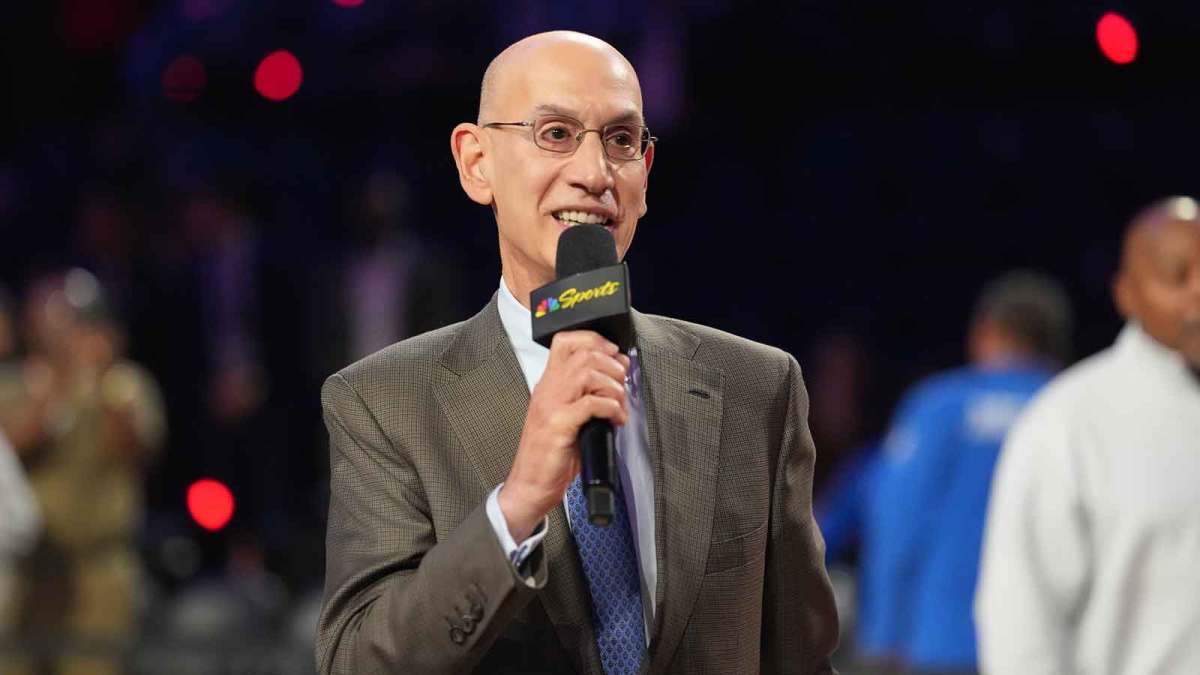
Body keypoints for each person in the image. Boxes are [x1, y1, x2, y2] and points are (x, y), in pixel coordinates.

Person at [316, 31, 839, 674]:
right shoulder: (382, 402)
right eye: (556, 134)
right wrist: (516, 506)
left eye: (621, 141)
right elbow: (357, 664)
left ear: (645, 173)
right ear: (476, 162)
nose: (594, 173)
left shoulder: (757, 386)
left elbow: (801, 660)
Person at [975, 197, 1200, 675]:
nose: (1199, 291)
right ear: (1127, 294)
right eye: (1178, 276)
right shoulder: (1068, 421)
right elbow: (1021, 622)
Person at [857, 271, 1072, 674]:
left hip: (940, 644)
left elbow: (897, 524)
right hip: (1048, 649)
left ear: (986, 331)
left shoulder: (939, 406)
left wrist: (882, 635)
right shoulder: (1071, 407)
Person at [0, 269, 165, 675]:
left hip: (99, 571)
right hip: (29, 576)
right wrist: (57, 384)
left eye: (73, 321)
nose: (63, 331)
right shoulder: (16, 384)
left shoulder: (123, 383)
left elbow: (138, 452)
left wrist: (102, 379)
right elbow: (13, 448)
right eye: (53, 319)